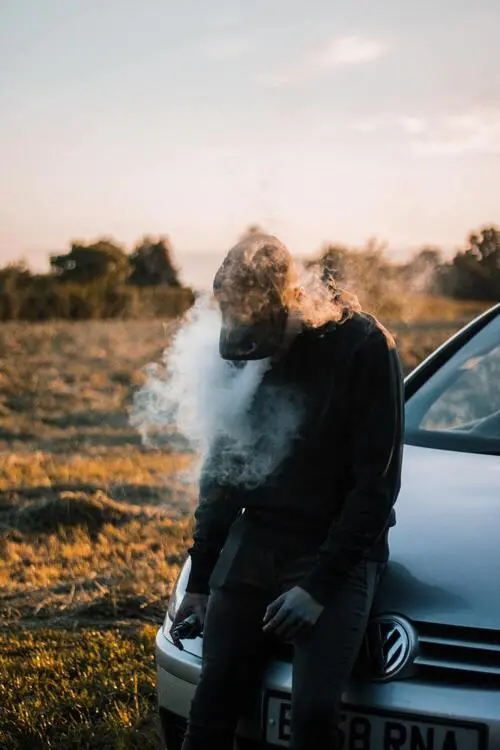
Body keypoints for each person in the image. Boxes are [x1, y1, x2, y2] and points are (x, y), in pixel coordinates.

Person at [171, 234, 405, 750]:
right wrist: (202, 581)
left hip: (336, 549)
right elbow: (224, 470)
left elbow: (376, 486)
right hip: (257, 538)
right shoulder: (241, 344)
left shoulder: (362, 345)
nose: (254, 352)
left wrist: (318, 587)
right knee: (210, 709)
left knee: (314, 718)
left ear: (285, 304)